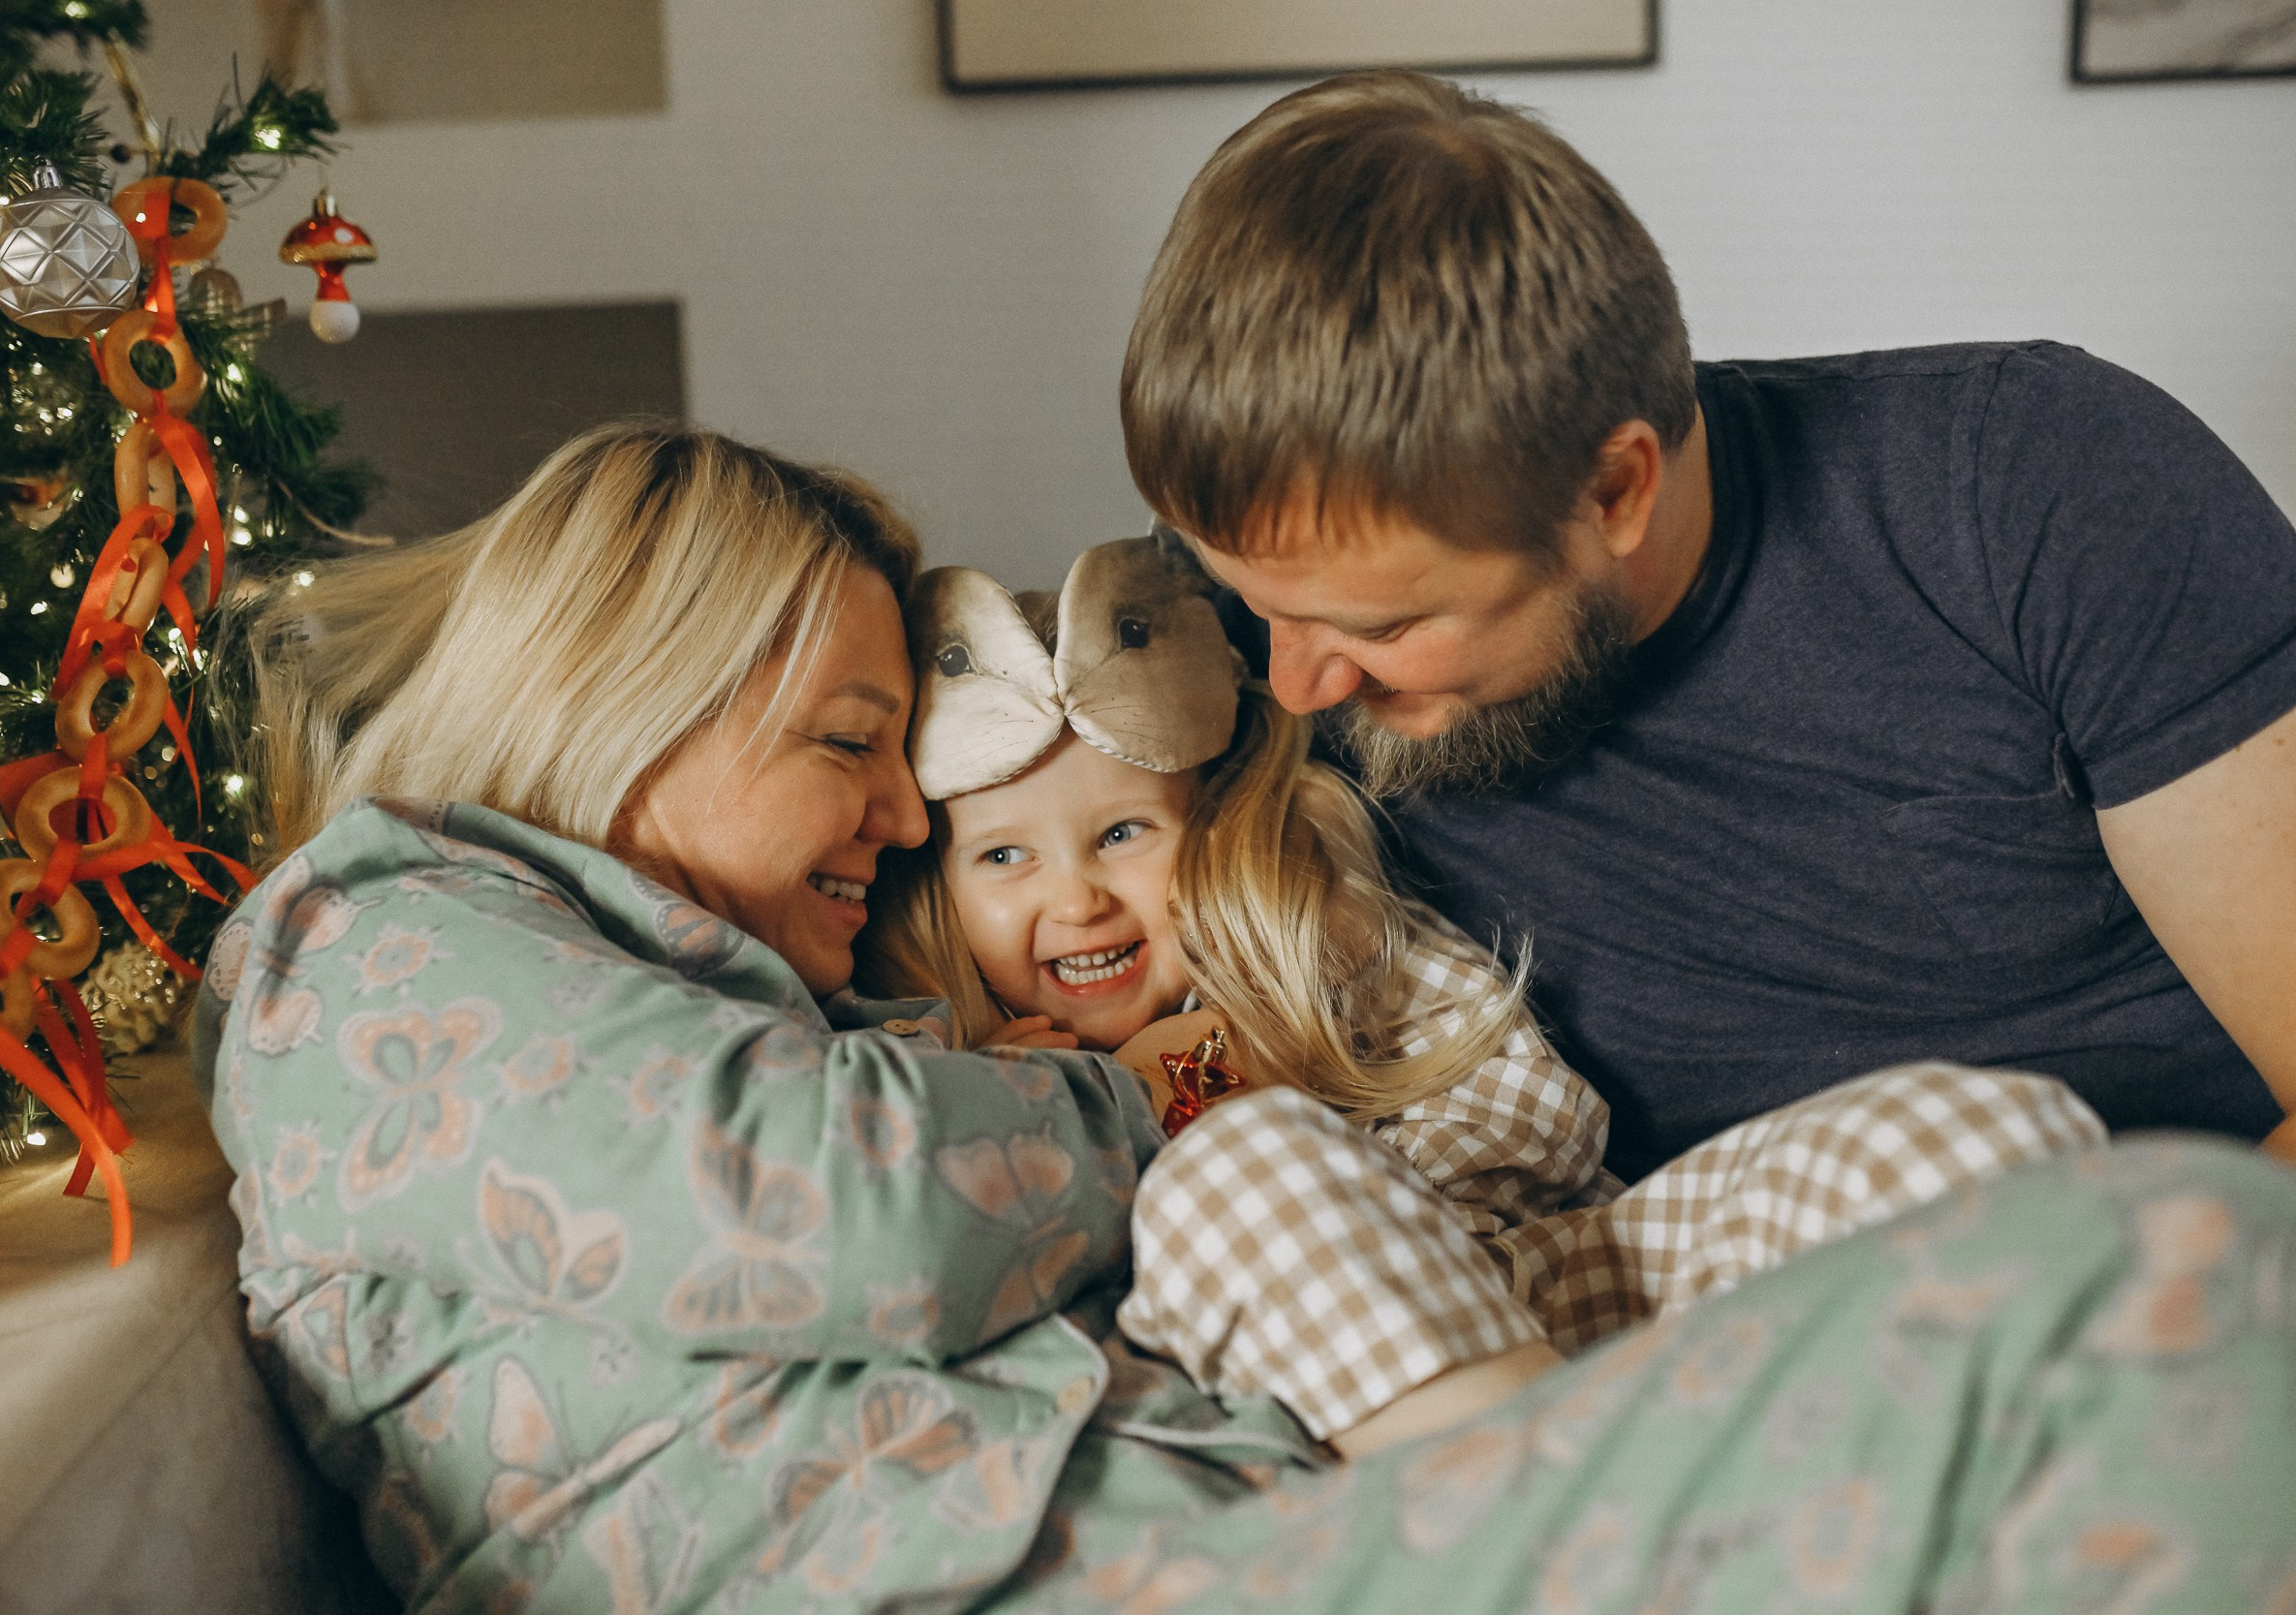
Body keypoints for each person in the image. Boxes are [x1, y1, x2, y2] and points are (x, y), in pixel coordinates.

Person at [198, 420, 2296, 1612]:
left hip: (1293, 1501)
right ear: (625, 696)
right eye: (850, 739)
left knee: (2018, 1185)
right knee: (2177, 1268)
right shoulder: (378, 931)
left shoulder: (698, 995)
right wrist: (1144, 1115)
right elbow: (812, 1207)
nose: (910, 810)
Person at [1119, 70, 2296, 1180]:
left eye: (1377, 626)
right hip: (1660, 1312)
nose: (1299, 682)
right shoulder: (1224, 624)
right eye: (1258, 604)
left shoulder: (2033, 493)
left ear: (1616, 490)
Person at [859, 534, 2102, 1453]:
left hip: (1555, 1287)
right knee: (1246, 1167)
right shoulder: (960, 1074)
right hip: (1331, 1402)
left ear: (1213, 822)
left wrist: (1332, 1124)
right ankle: (1557, 1549)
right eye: (1006, 857)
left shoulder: (1323, 939)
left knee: (1959, 1131)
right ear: (940, 887)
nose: (1075, 898)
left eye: (1123, 833)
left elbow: (1543, 1112)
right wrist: (1152, 1105)